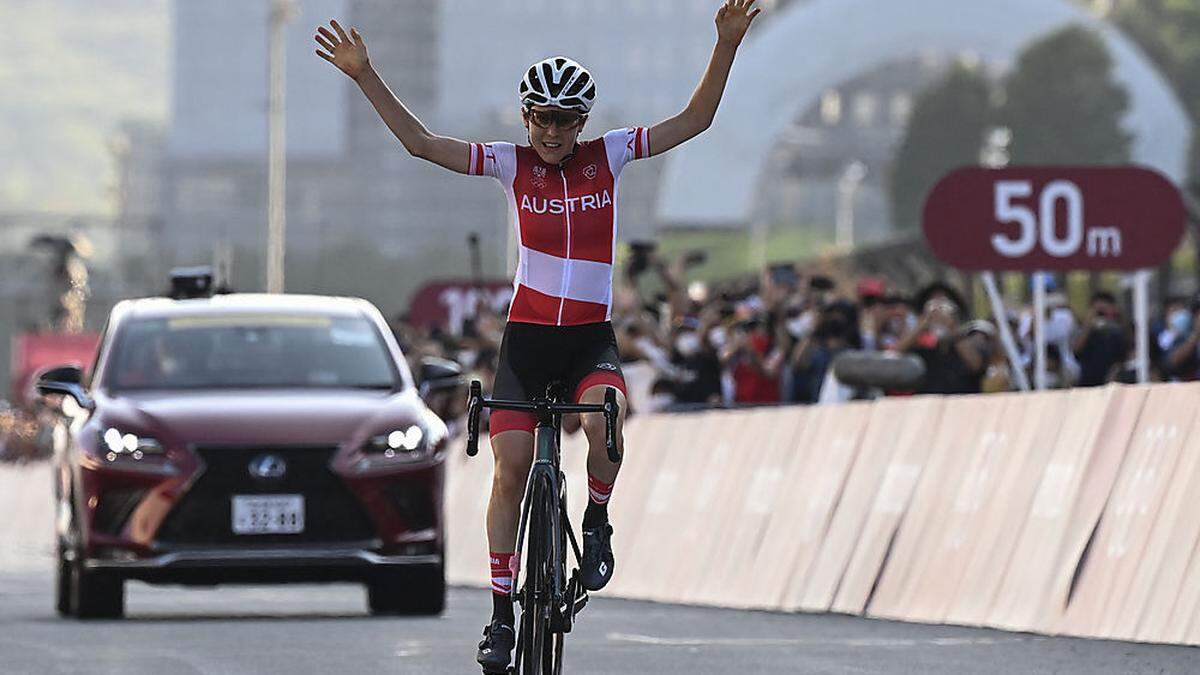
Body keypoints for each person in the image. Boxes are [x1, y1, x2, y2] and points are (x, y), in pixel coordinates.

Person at [314, 3, 761, 670]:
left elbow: (694, 122)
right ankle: (499, 615)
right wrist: (366, 76)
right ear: (526, 118)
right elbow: (422, 144)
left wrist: (724, 45)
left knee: (609, 426)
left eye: (565, 119)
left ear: (583, 122)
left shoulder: (608, 155)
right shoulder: (509, 162)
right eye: (542, 118)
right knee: (511, 470)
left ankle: (597, 517)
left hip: (588, 340)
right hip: (526, 343)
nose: (552, 130)